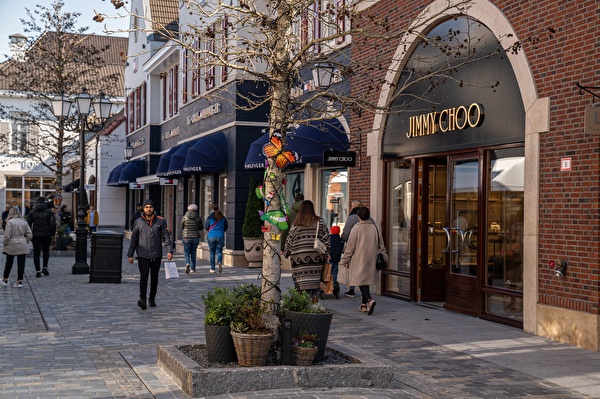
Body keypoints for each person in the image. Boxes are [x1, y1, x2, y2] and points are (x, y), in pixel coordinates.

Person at [339, 207, 388, 315]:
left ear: (359, 216)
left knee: (360, 280)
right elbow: (381, 244)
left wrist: (344, 260)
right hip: (372, 258)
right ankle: (363, 305)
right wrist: (385, 257)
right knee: (365, 280)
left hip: (359, 259)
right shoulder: (375, 228)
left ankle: (370, 300)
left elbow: (350, 248)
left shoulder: (356, 229)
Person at [127, 199, 173, 310]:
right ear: (143, 208)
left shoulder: (161, 221)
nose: (148, 209)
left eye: (150, 207)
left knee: (154, 278)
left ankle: (152, 298)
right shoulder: (138, 222)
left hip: (156, 254)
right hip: (142, 255)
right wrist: (130, 254)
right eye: (146, 207)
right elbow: (134, 239)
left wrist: (169, 250)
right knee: (144, 277)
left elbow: (166, 237)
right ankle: (142, 299)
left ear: (153, 209)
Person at [283, 200, 330, 303]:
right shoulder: (320, 223)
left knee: (301, 286)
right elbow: (327, 240)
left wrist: (286, 253)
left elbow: (289, 242)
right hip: (316, 260)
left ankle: (303, 306)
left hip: (299, 262)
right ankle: (314, 306)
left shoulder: (295, 225)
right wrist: (327, 254)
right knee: (315, 286)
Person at [340, 199, 369, 298]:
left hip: (355, 246)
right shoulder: (369, 218)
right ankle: (365, 293)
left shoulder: (352, 217)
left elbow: (346, 233)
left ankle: (351, 290)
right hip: (367, 247)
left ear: (353, 206)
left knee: (352, 268)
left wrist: (342, 239)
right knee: (364, 269)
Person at [1, 207, 32, 288]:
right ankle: (19, 281)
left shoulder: (9, 222)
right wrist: (25, 241)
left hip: (11, 243)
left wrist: (5, 243)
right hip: (22, 242)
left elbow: (7, 235)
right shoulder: (24, 222)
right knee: (21, 263)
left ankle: (5, 279)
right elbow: (29, 234)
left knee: (9, 262)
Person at [27, 196, 55, 277]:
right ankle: (45, 268)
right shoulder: (49, 212)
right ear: (44, 202)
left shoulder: (31, 212)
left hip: (35, 234)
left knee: (36, 252)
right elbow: (52, 224)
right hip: (46, 234)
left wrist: (30, 234)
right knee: (46, 251)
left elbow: (28, 224)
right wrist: (52, 234)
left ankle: (37, 270)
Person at [180, 204, 203, 274]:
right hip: (195, 237)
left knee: (186, 252)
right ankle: (193, 269)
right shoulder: (198, 218)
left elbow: (181, 226)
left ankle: (187, 263)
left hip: (186, 236)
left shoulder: (184, 217)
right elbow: (201, 227)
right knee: (193, 252)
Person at [205, 204, 228, 273]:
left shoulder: (209, 217)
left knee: (212, 252)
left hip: (211, 236)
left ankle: (212, 268)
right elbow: (226, 226)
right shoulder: (222, 217)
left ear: (211, 209)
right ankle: (220, 262)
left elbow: (206, 226)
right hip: (220, 236)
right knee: (219, 251)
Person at [328, 225, 343, 299]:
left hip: (329, 259)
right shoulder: (340, 240)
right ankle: (334, 283)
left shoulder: (329, 239)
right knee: (334, 272)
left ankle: (328, 284)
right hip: (336, 260)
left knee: (328, 273)